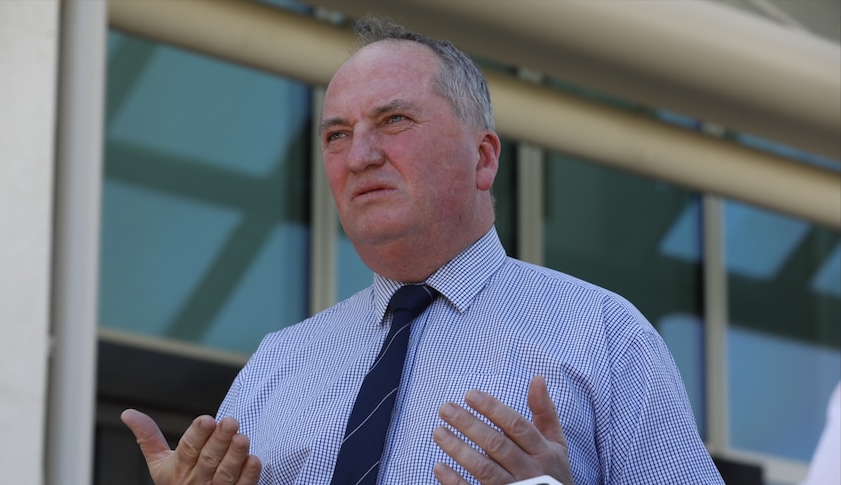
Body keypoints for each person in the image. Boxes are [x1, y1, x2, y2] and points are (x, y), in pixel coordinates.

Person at [122, 15, 723, 485]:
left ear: (483, 158)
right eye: (337, 135)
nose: (359, 156)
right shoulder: (279, 364)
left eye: (394, 121)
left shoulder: (600, 334)